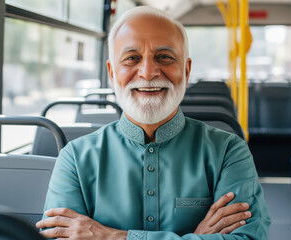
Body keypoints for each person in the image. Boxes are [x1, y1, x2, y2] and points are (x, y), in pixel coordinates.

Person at [36, 6, 271, 240]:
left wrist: (111, 236)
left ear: (186, 70)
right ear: (112, 73)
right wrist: (195, 237)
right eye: (131, 58)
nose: (148, 72)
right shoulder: (75, 159)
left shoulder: (229, 152)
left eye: (164, 57)